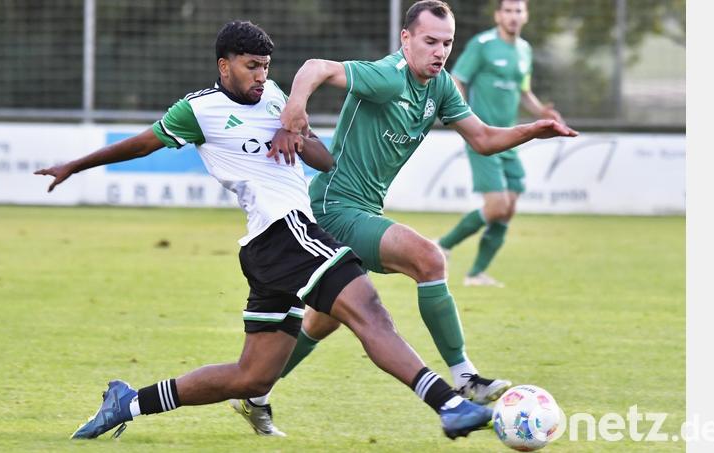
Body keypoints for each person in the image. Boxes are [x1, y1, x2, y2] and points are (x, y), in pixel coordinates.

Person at [36, 20, 494, 442]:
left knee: (252, 377)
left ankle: (128, 402)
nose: (260, 76)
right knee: (367, 309)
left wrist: (297, 135)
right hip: (282, 232)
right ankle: (448, 402)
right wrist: (75, 166)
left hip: (274, 246)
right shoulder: (199, 111)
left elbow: (323, 159)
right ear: (225, 65)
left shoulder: (274, 95)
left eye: (265, 67)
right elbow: (140, 144)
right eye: (251, 66)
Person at [235, 0, 577, 436]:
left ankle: (256, 391)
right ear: (406, 39)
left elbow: (485, 139)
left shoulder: (442, 88)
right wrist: (295, 108)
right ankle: (465, 378)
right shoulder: (386, 76)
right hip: (333, 207)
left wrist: (532, 129)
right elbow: (315, 66)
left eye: (447, 43)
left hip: (361, 210)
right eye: (430, 41)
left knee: (324, 320)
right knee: (428, 258)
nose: (439, 51)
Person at [437, 0, 566, 287]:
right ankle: (442, 245)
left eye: (518, 11)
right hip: (484, 137)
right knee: (496, 206)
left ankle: (476, 274)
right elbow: (457, 79)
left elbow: (524, 91)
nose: (513, 16)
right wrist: (463, 119)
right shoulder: (482, 44)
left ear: (526, 15)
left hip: (510, 140)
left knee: (509, 206)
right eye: (507, 11)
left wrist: (542, 113)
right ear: (498, 15)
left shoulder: (525, 50)